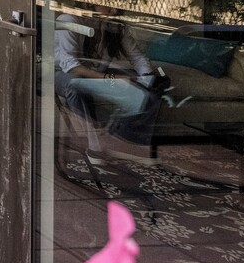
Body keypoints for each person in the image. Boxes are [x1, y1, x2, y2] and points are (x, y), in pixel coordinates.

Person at [54, 9, 167, 161]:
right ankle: (94, 145)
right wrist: (112, 79)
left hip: (99, 74)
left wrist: (147, 76)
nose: (114, 10)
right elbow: (71, 66)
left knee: (155, 84)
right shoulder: (69, 20)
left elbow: (137, 57)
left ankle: (123, 137)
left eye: (116, 8)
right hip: (61, 73)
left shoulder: (116, 28)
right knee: (76, 85)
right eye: (108, 6)